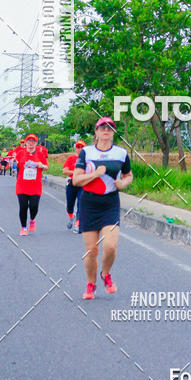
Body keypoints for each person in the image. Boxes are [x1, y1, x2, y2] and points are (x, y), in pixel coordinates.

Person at [72, 117, 133, 300]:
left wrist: (123, 183)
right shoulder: (86, 152)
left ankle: (106, 274)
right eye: (102, 127)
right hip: (89, 203)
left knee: (110, 246)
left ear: (113, 133)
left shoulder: (121, 153)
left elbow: (128, 175)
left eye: (110, 128)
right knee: (92, 250)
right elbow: (76, 180)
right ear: (96, 132)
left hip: (110, 204)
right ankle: (91, 284)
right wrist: (95, 174)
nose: (106, 130)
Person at [15, 134, 48, 235]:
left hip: (35, 186)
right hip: (22, 185)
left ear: (36, 143)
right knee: (23, 206)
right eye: (29, 141)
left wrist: (40, 165)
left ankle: (32, 220)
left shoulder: (40, 154)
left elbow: (46, 167)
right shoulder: (21, 153)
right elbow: (16, 164)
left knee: (34, 206)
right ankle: (23, 227)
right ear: (25, 142)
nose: (31, 143)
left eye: (33, 141)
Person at [62, 140, 85, 231]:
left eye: (81, 147)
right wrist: (75, 172)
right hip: (71, 183)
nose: (80, 149)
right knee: (69, 205)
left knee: (81, 203)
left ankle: (77, 224)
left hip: (82, 183)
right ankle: (71, 217)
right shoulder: (71, 158)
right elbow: (64, 171)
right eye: (78, 147)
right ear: (75, 148)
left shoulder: (87, 159)